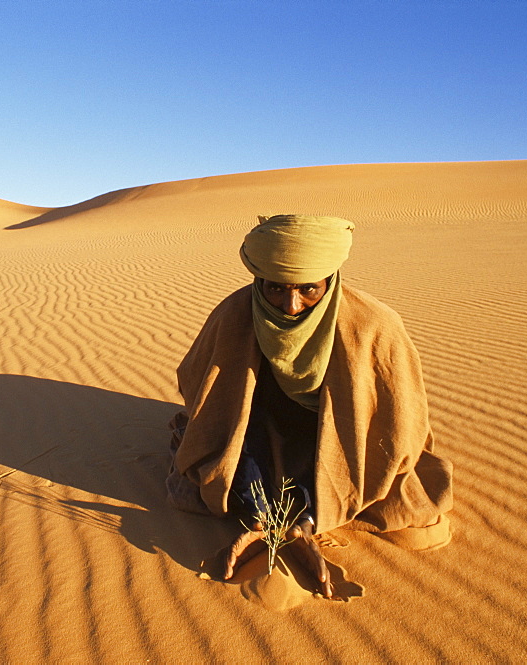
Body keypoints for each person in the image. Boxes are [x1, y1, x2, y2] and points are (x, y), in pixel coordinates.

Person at [166, 214, 453, 598]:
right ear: (259, 280)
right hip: (256, 421)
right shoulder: (234, 315)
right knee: (219, 464)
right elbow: (208, 400)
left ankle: (305, 519)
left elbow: (398, 425)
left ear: (330, 282)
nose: (291, 305)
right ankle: (264, 518)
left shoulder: (374, 326)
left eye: (309, 290)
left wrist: (312, 515)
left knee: (392, 491)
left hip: (337, 433)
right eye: (275, 289)